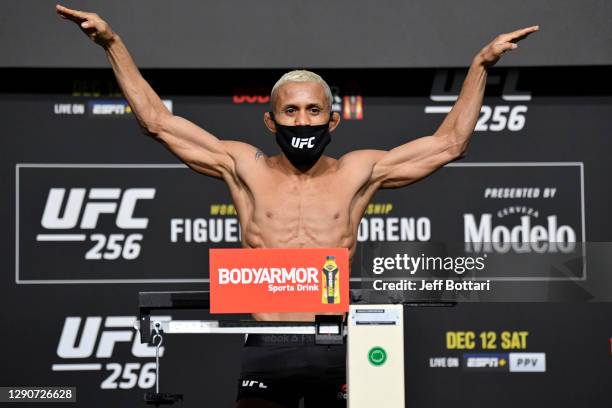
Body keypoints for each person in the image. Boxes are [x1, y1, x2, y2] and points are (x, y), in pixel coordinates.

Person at [55, 4, 538, 407]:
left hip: (341, 345)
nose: (302, 119)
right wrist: (112, 44)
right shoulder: (243, 167)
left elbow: (449, 143)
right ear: (270, 121)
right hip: (267, 346)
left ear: (333, 118)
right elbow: (158, 122)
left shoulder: (358, 171)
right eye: (290, 110)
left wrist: (480, 66)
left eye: (313, 110)